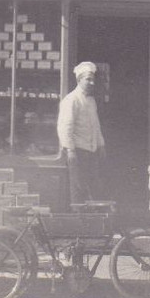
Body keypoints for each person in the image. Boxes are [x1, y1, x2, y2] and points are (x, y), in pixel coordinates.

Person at [57, 61, 106, 204]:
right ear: (79, 80)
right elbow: (65, 127)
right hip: (78, 151)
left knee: (92, 187)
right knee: (78, 187)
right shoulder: (71, 100)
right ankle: (78, 219)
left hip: (92, 151)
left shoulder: (91, 101)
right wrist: (70, 151)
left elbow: (95, 126)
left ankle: (90, 220)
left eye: (93, 79)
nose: (91, 83)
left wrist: (101, 145)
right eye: (87, 79)